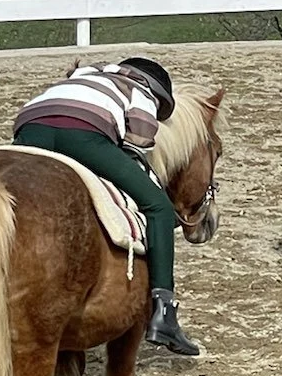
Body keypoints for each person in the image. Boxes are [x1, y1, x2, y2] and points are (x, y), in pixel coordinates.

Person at [12, 56, 203, 357]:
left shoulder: (79, 79)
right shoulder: (139, 89)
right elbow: (138, 144)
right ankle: (164, 312)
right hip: (82, 134)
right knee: (158, 207)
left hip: (30, 127)